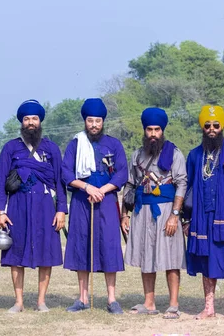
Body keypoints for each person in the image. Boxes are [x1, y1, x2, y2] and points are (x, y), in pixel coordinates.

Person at [0, 99, 67, 313]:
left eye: (34, 118)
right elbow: (0, 181)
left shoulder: (51, 148)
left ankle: (41, 301)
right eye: (26, 119)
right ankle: (18, 302)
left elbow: (60, 181)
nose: (30, 122)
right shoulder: (10, 148)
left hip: (45, 206)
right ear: (22, 122)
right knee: (16, 253)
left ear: (40, 121)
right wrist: (0, 211)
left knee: (45, 252)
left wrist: (61, 209)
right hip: (17, 206)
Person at [61, 98, 127, 314]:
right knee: (82, 245)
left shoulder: (114, 144)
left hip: (106, 202)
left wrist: (102, 190)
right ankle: (82, 298)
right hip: (82, 201)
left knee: (109, 245)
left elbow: (122, 173)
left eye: (97, 121)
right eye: (90, 121)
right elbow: (66, 173)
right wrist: (87, 188)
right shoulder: (75, 144)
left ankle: (111, 299)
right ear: (85, 121)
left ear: (103, 122)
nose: (94, 125)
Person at [121, 107, 187, 319]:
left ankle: (173, 304)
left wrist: (175, 215)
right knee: (146, 256)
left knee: (171, 259)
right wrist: (124, 215)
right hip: (142, 211)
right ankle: (149, 303)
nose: (153, 134)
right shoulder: (137, 155)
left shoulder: (174, 153)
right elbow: (129, 185)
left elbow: (181, 184)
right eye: (149, 129)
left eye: (157, 129)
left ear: (162, 131)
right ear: (144, 130)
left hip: (167, 210)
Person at [184, 105, 224, 319]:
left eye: (216, 125)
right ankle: (209, 307)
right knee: (206, 261)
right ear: (202, 128)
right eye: (207, 125)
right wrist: (186, 219)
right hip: (202, 217)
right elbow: (189, 188)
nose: (212, 129)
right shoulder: (194, 155)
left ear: (222, 127)